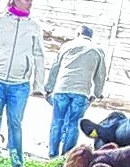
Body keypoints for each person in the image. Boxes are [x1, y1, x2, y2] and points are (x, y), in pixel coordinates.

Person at [0, 0, 45, 167]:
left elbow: (39, 56)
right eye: (26, 0)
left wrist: (38, 85)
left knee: (15, 124)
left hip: (20, 85)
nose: (30, 2)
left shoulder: (34, 27)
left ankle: (17, 162)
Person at [45, 25, 106, 157]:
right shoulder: (97, 50)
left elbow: (55, 68)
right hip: (82, 92)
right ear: (91, 36)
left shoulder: (67, 46)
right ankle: (66, 156)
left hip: (62, 89)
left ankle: (52, 154)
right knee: (74, 124)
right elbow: (100, 75)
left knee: (57, 121)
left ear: (78, 34)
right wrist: (96, 94)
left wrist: (48, 88)